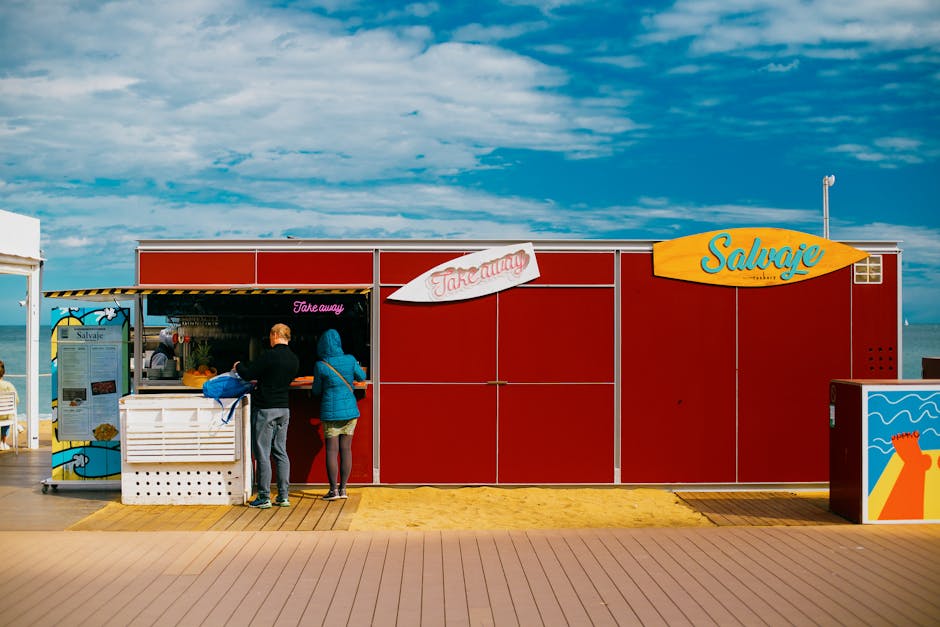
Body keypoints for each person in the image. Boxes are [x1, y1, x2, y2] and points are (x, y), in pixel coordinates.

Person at [234, 323, 299, 509]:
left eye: (271, 335)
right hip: (284, 409)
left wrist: (238, 365)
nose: (270, 339)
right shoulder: (294, 359)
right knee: (281, 452)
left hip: (265, 409)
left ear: (276, 335)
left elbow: (248, 374)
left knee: (263, 453)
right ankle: (283, 496)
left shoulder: (269, 356)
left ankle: (264, 496)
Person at [312, 328, 366, 500]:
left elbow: (316, 390)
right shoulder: (350, 360)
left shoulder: (321, 365)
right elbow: (362, 376)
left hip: (330, 413)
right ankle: (343, 490)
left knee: (331, 450)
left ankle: (332, 490)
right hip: (350, 411)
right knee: (346, 449)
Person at [0, 360, 19, 451]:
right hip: (5, 415)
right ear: (3, 372)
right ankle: (3, 442)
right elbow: (17, 401)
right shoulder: (9, 385)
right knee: (7, 419)